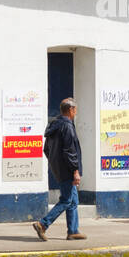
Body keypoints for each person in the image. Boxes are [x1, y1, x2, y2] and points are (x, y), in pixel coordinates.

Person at [33, 98, 87, 241]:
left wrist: (55, 163)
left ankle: (73, 231)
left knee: (73, 201)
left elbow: (46, 149)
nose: (76, 112)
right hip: (67, 169)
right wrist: (75, 170)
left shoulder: (54, 125)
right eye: (75, 109)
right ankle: (43, 224)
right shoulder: (67, 126)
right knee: (66, 200)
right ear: (70, 110)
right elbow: (70, 151)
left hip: (58, 168)